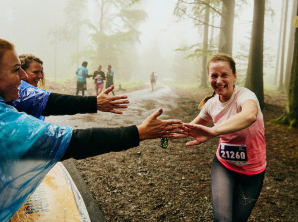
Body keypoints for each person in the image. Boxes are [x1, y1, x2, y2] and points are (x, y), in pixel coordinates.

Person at [0, 38, 183, 222]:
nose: (23, 76)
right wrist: (140, 132)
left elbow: (44, 102)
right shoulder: (5, 125)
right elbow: (72, 140)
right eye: (16, 70)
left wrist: (94, 103)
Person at [180, 53, 266, 222]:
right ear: (209, 77)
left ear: (234, 76)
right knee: (222, 220)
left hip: (253, 171)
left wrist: (213, 131)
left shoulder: (246, 96)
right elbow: (190, 128)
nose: (218, 80)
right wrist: (161, 133)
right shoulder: (211, 104)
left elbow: (249, 115)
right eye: (214, 76)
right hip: (224, 166)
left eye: (224, 75)